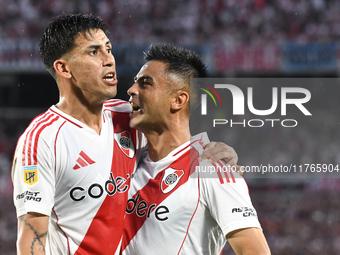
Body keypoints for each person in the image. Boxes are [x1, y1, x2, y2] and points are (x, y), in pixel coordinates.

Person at [11, 14, 238, 255]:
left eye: (108, 49)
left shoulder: (128, 118)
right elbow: (32, 237)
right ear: (64, 68)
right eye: (94, 52)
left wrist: (217, 152)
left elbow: (175, 136)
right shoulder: (42, 140)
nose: (109, 59)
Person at [121, 43, 271, 255]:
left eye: (145, 84)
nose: (131, 90)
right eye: (135, 82)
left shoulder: (212, 171)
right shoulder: (124, 161)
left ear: (178, 100)